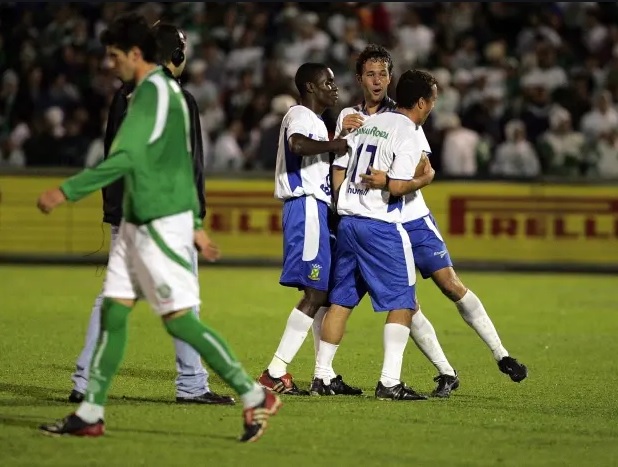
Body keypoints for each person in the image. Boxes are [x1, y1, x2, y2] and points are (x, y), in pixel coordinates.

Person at [37, 13, 280, 443]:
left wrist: (67, 191)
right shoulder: (163, 94)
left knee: (181, 321)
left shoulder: (152, 95)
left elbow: (126, 157)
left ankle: (251, 393)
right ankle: (91, 410)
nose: (109, 65)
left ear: (135, 54)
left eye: (114, 57)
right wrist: (198, 223)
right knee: (114, 311)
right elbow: (183, 166)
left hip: (157, 226)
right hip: (139, 222)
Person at [68, 21, 234, 406]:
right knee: (183, 298)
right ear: (175, 55)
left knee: (113, 297)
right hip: (165, 215)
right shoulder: (175, 97)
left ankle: (85, 379)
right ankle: (192, 385)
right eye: (183, 49)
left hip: (127, 212)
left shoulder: (124, 95)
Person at [353, 47, 528, 388]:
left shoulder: (402, 122)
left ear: (390, 80)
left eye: (382, 75)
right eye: (371, 75)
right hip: (382, 221)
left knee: (450, 285)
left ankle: (501, 353)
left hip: (414, 219)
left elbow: (422, 168)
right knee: (407, 302)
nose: (377, 81)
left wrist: (392, 179)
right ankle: (446, 372)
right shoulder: (358, 119)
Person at [312, 69, 436, 400]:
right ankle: (390, 382)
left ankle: (322, 376)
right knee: (404, 301)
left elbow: (341, 164)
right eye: (433, 101)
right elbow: (396, 186)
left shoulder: (369, 123)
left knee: (341, 300)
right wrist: (423, 180)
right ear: (421, 103)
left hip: (349, 221)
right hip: (379, 225)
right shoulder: (408, 132)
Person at [257, 63, 361, 396]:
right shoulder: (300, 114)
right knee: (316, 294)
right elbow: (298, 145)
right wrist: (334, 146)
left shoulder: (316, 121)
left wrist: (338, 139)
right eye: (327, 82)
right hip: (305, 206)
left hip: (315, 209)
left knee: (323, 294)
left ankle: (323, 375)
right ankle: (275, 372)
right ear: (310, 88)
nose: (334, 87)